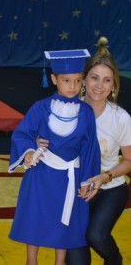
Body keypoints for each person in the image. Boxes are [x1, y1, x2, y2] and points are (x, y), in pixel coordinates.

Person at [37, 37, 131, 265]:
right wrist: (38, 143)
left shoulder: (121, 118)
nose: (99, 86)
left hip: (110, 189)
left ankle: (115, 260)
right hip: (74, 192)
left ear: (114, 85)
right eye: (94, 78)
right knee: (77, 261)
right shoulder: (63, 109)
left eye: (107, 80)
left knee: (96, 235)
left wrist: (104, 176)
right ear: (83, 79)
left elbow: (129, 160)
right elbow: (39, 138)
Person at [8, 49, 101, 265]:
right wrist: (30, 151)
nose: (73, 86)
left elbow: (90, 148)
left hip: (71, 177)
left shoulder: (86, 112)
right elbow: (23, 133)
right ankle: (31, 260)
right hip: (41, 175)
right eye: (66, 80)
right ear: (54, 79)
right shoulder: (40, 108)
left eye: (78, 81)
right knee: (36, 216)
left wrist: (87, 179)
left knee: (64, 221)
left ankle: (60, 262)